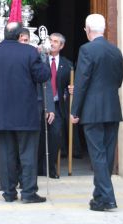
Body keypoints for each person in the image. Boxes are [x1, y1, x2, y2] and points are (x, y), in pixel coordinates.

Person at [0, 22, 50, 204]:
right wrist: (44, 57)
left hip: (0, 112)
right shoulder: (30, 52)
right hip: (26, 113)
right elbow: (43, 76)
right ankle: (28, 193)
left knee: (5, 154)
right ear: (19, 36)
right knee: (27, 154)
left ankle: (9, 193)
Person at [71, 14, 123, 212]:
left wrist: (75, 110)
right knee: (107, 155)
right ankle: (99, 196)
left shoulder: (86, 49)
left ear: (87, 29)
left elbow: (82, 82)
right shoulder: (115, 50)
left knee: (98, 155)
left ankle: (108, 198)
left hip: (93, 110)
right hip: (112, 108)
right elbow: (119, 80)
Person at [18, 28, 55, 178]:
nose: (23, 43)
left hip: (36, 105)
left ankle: (28, 178)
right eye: (21, 41)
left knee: (32, 144)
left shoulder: (37, 56)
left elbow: (46, 83)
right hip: (16, 106)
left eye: (26, 41)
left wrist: (49, 107)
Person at [45, 33, 73, 178]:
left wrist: (71, 90)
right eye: (50, 40)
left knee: (55, 135)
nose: (52, 43)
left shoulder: (67, 64)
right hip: (40, 104)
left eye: (55, 41)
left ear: (61, 46)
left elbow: (72, 84)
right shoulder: (40, 60)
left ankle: (51, 168)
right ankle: (38, 167)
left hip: (57, 105)